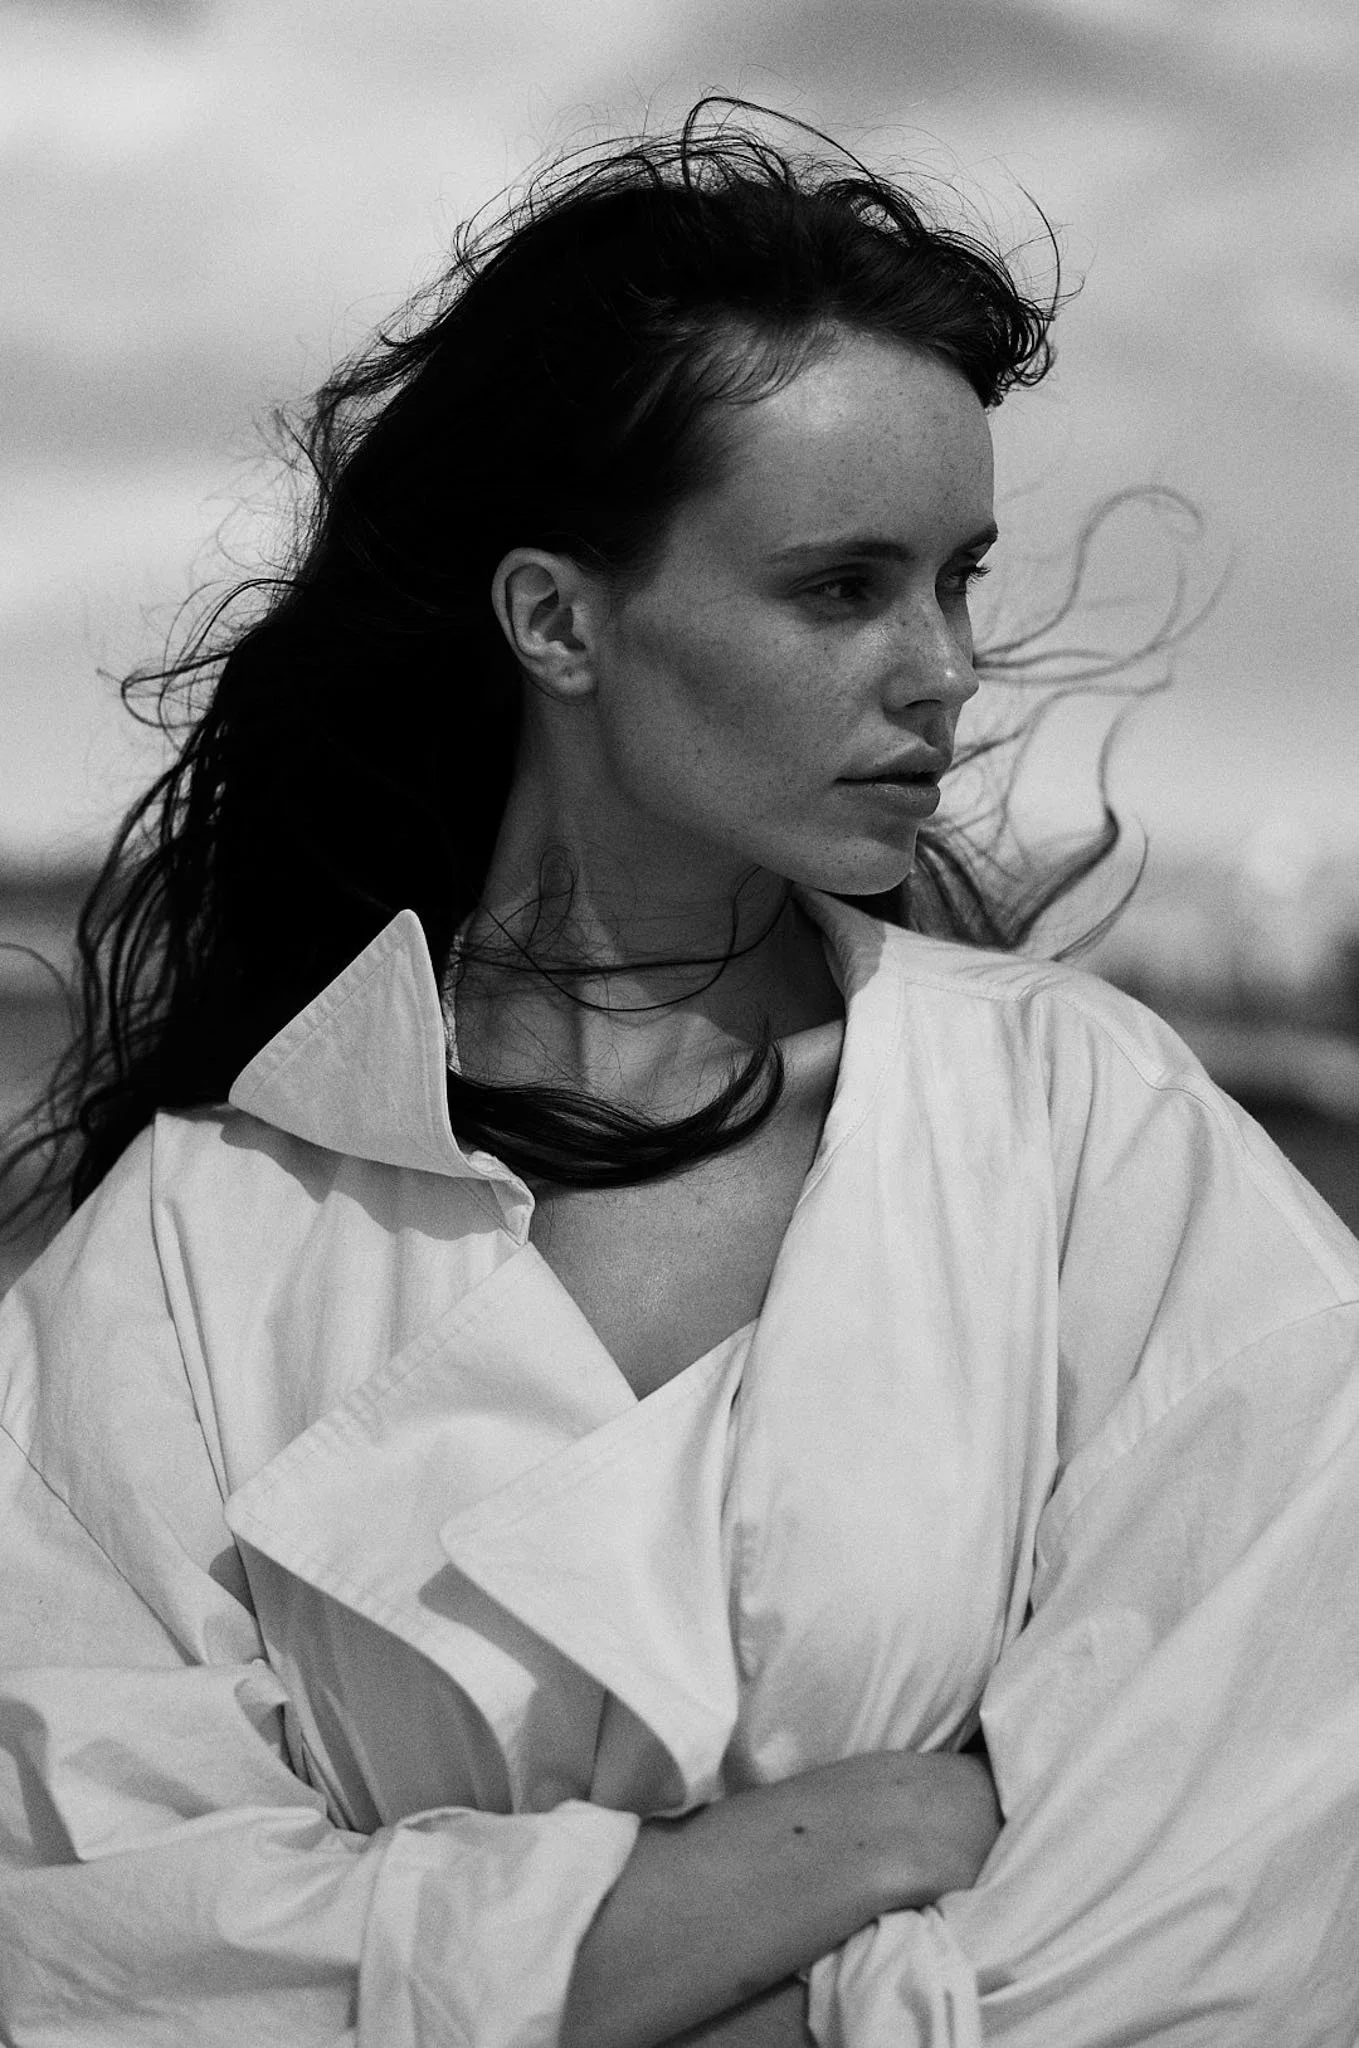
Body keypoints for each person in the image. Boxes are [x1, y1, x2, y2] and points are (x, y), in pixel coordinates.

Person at [2, 101, 1357, 2048]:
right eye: (840, 586)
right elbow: (85, 1950)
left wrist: (506, 1970)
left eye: (958, 579)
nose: (943, 670)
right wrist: (794, 1864)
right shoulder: (199, 1251)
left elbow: (1246, 1893)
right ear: (557, 616)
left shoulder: (1093, 1142)